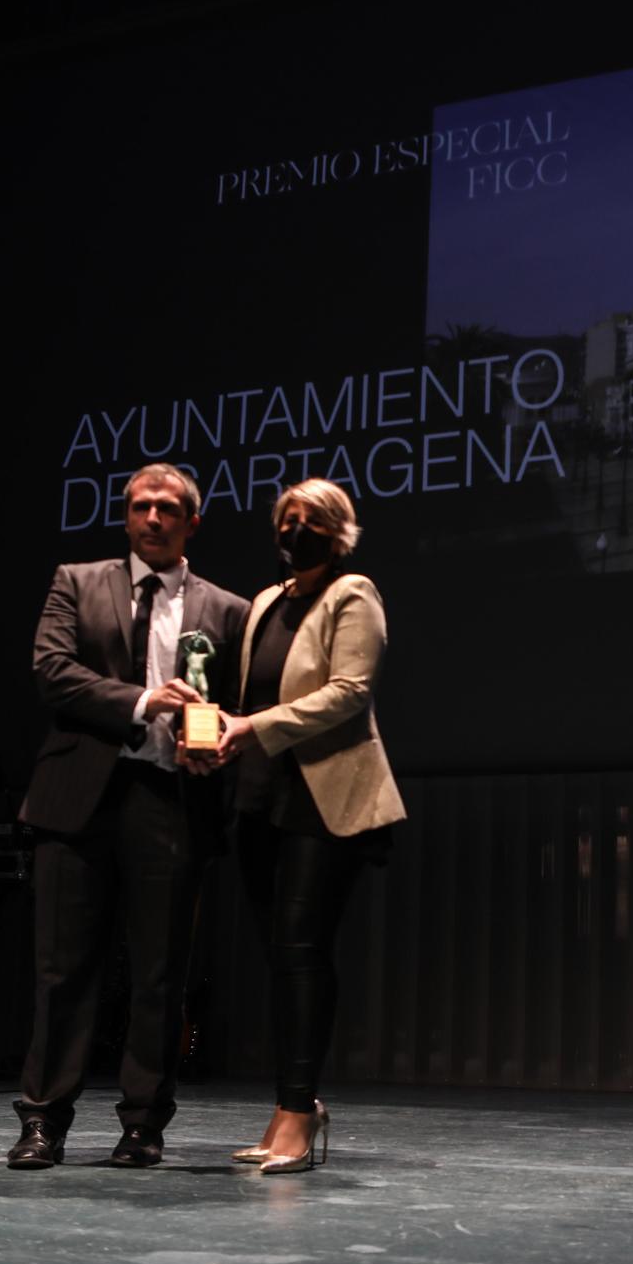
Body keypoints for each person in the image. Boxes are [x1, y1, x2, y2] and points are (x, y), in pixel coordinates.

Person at [7, 462, 249, 1170]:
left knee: (159, 974)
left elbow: (234, 707)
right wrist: (147, 702)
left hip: (171, 801)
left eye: (168, 507)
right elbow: (52, 672)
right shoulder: (76, 582)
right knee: (62, 971)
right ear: (125, 514)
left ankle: (144, 1123)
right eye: (141, 505)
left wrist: (219, 743)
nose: (153, 517)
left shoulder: (227, 610)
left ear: (191, 522)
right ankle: (43, 1120)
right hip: (77, 797)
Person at [185, 478, 404, 1175]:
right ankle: (288, 1108)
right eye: (286, 517)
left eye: (310, 519)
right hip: (260, 797)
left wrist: (252, 728)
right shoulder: (264, 603)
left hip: (324, 797)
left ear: (339, 531)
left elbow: (348, 694)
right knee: (281, 958)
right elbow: (244, 695)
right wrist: (209, 727)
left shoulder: (352, 593)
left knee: (303, 950)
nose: (294, 528)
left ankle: (299, 1110)